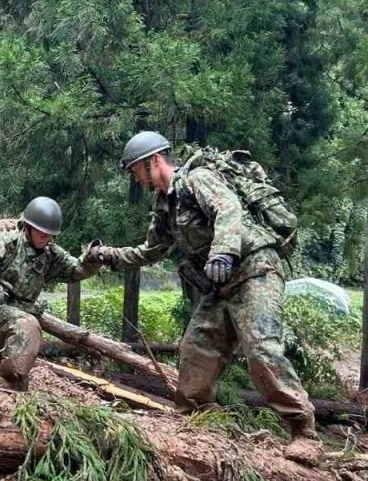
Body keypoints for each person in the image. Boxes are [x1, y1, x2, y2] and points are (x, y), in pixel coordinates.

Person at [89, 131, 320, 461]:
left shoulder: (198, 178)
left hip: (255, 271)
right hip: (220, 287)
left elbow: (229, 208)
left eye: (136, 170)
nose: (136, 178)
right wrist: (108, 256)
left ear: (154, 161)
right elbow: (150, 251)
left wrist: (223, 253)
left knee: (261, 350)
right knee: (196, 351)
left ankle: (304, 432)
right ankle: (198, 422)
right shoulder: (165, 205)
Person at [0, 196, 102, 390]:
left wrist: (93, 259)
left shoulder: (51, 254)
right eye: (41, 232)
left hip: (12, 317)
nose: (45, 238)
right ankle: (7, 386)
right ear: (27, 227)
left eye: (49, 234)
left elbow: (75, 270)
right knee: (27, 326)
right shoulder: (8, 242)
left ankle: (10, 387)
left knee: (23, 339)